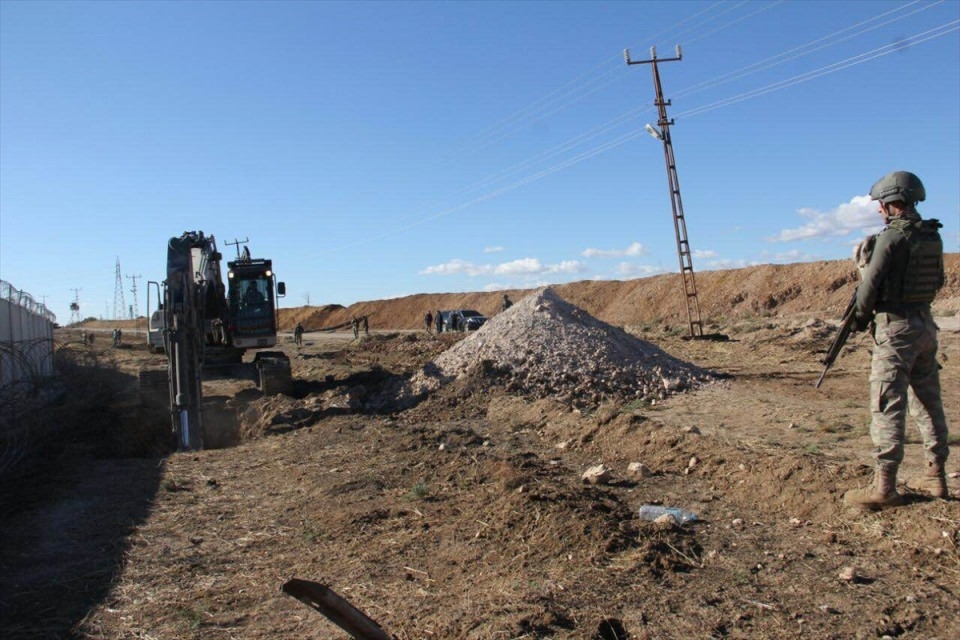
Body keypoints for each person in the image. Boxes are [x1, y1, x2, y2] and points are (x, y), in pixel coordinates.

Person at [843, 171, 950, 510]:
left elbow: (869, 287)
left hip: (896, 328)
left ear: (893, 203)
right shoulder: (932, 235)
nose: (879, 209)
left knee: (887, 403)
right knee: (928, 402)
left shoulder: (891, 237)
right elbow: (938, 281)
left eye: (881, 203)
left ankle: (885, 488)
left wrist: (860, 319)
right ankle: (936, 476)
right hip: (925, 324)